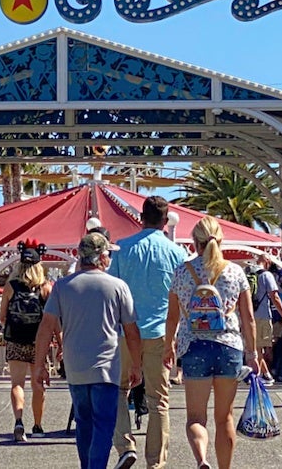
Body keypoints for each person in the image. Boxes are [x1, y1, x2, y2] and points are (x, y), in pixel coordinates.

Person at [36, 231, 143, 469]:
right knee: (104, 424)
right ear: (103, 257)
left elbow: (45, 327)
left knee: (84, 423)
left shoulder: (62, 286)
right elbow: (132, 331)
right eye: (108, 255)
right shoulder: (117, 287)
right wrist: (136, 364)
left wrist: (39, 366)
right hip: (106, 368)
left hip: (75, 367)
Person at [164, 217, 258, 469]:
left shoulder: (182, 272)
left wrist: (168, 347)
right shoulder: (235, 272)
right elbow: (248, 317)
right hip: (229, 347)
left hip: (194, 347)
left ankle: (202, 459)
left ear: (194, 243)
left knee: (196, 417)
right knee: (224, 416)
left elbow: (172, 316)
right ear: (221, 240)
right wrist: (253, 352)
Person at [109, 195, 190, 469]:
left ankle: (124, 445)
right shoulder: (177, 254)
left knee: (119, 390)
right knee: (159, 400)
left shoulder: (122, 249)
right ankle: (155, 462)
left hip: (125, 331)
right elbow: (181, 298)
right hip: (160, 333)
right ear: (166, 222)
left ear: (140, 218)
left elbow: (113, 292)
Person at [2, 239, 54, 442]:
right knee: (38, 384)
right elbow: (52, 320)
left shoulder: (11, 286)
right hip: (38, 342)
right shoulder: (45, 288)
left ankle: (18, 421)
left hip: (15, 339)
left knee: (17, 384)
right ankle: (38, 426)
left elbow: (2, 317)